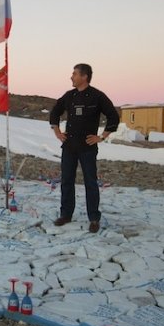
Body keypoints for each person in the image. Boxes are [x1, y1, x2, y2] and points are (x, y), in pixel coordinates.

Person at [49, 63, 119, 233]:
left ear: (84, 76)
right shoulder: (69, 96)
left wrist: (101, 137)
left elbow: (113, 117)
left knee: (90, 183)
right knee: (66, 181)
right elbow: (54, 112)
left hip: (87, 147)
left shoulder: (97, 96)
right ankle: (66, 214)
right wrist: (57, 132)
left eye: (74, 74)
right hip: (69, 146)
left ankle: (94, 218)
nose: (71, 77)